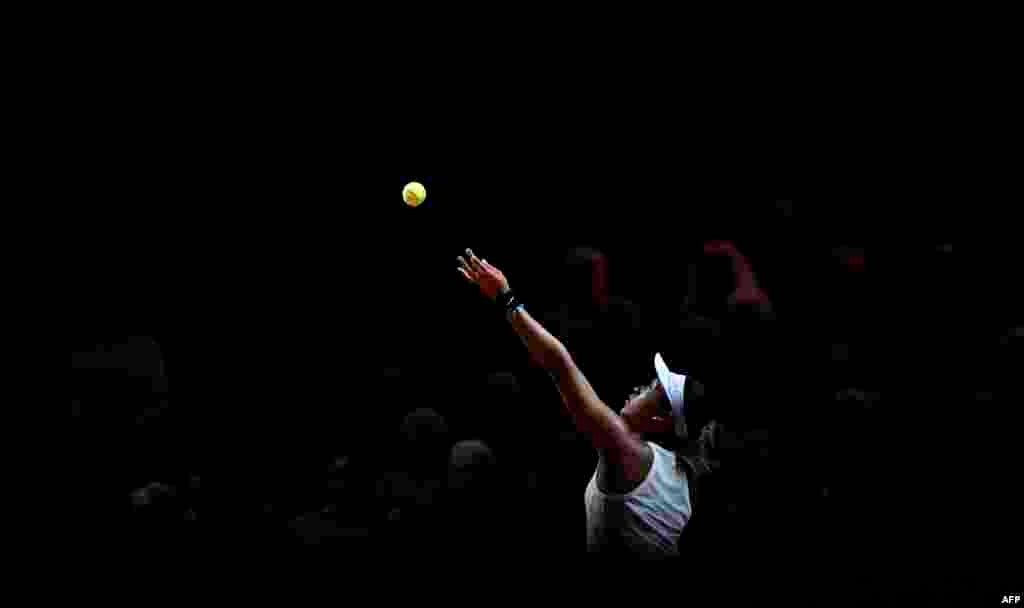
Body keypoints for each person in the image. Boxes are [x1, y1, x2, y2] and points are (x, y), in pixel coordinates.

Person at [457, 248, 717, 558]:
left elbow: (560, 365)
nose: (640, 386)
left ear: (661, 421)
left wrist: (506, 299)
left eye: (651, 388)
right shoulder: (680, 468)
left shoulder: (627, 454)